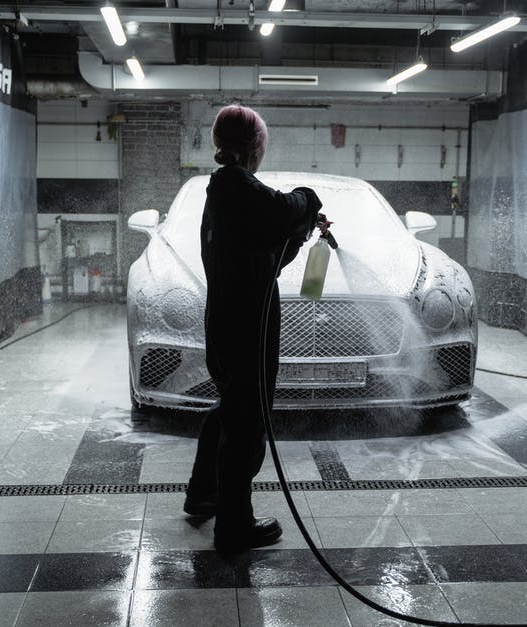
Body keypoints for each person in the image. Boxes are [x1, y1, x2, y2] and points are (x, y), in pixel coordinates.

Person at [184, 105, 323, 552]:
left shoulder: (222, 192)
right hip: (247, 326)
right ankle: (234, 525)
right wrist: (309, 200)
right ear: (256, 147)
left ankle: (204, 493)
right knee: (246, 424)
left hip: (227, 320)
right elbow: (287, 208)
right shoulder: (237, 187)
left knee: (231, 409)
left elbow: (267, 254)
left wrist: (299, 235)